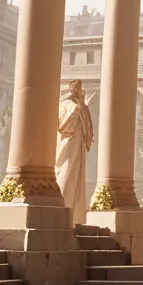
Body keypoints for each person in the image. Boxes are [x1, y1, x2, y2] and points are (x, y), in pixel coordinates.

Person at [56, 80, 94, 225]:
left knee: (77, 177)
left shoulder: (83, 106)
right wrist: (76, 108)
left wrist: (82, 106)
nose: (79, 90)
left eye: (80, 88)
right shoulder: (65, 104)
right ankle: (61, 209)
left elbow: (88, 125)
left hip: (79, 146)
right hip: (68, 144)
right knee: (66, 172)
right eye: (76, 88)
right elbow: (62, 125)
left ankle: (75, 216)